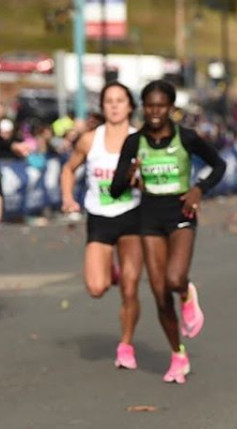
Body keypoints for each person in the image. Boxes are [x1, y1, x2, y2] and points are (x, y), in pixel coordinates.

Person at [110, 79, 226, 384]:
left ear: (171, 107)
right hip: (149, 219)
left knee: (174, 279)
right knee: (160, 294)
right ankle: (178, 354)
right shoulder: (134, 142)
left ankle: (186, 293)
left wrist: (199, 189)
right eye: (149, 106)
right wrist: (127, 174)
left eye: (161, 106)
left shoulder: (186, 137)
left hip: (180, 214)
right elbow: (116, 188)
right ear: (143, 107)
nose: (155, 112)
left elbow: (219, 165)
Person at [60, 81, 143, 370]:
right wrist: (68, 198)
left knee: (130, 289)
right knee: (96, 288)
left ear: (130, 106)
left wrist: (139, 181)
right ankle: (110, 269)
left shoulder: (140, 140)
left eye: (120, 100)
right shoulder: (89, 140)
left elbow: (152, 181)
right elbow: (69, 169)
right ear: (103, 106)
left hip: (133, 215)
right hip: (100, 217)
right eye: (109, 101)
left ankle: (126, 344)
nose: (115, 106)